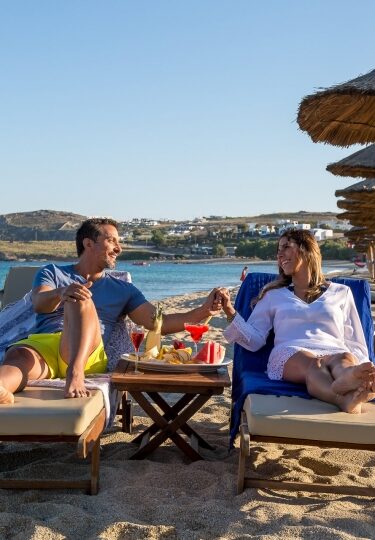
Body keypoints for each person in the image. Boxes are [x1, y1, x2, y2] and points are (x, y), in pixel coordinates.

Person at [0, 218, 222, 404]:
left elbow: (157, 323)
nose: (119, 248)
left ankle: (74, 373)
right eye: (112, 241)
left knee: (81, 298)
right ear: (88, 243)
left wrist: (203, 311)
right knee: (19, 357)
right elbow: (39, 302)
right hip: (46, 344)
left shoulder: (123, 289)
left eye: (119, 242)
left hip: (88, 352)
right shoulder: (53, 272)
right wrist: (62, 292)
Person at [219, 229, 375, 414]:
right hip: (291, 352)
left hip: (334, 350)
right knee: (314, 365)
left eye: (286, 247)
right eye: (278, 250)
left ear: (307, 249)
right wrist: (229, 311)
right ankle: (341, 398)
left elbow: (354, 339)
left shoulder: (341, 293)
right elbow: (255, 339)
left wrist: (361, 367)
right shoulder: (273, 295)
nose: (279, 254)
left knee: (345, 359)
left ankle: (350, 378)